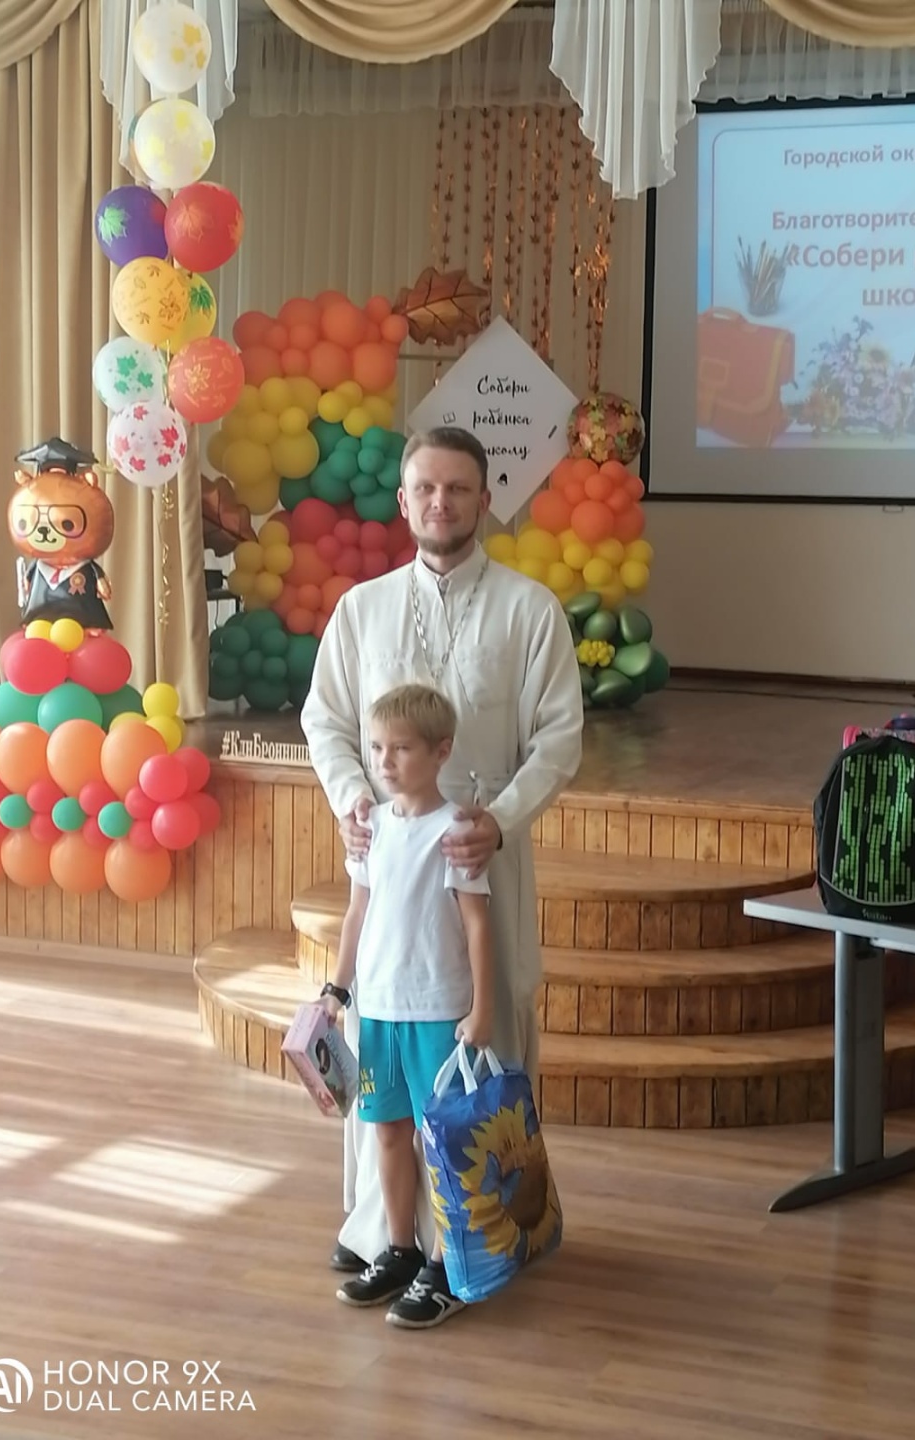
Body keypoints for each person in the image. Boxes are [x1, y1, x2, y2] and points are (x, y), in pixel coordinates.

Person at [300, 424, 584, 1271]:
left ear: (486, 500)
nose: (440, 502)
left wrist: (501, 818)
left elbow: (559, 739)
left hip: (481, 858)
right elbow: (326, 720)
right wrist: (352, 799)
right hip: (390, 867)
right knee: (388, 1053)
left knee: (486, 1037)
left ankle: (488, 1237)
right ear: (403, 501)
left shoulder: (529, 610)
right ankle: (386, 1232)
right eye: (425, 488)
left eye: (458, 489)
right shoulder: (363, 609)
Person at [320, 683, 493, 1329]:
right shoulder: (369, 829)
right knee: (387, 1131)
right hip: (378, 1013)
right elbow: (357, 912)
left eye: (401, 749)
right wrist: (337, 990)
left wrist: (482, 1009)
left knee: (441, 1142)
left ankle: (448, 1268)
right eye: (376, 749)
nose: (385, 762)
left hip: (437, 1012)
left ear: (440, 752)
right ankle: (401, 1249)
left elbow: (477, 924)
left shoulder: (456, 832)